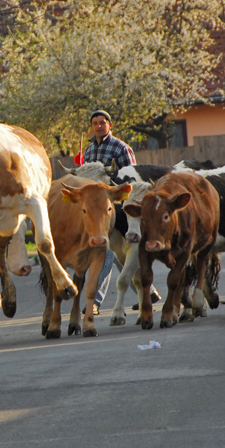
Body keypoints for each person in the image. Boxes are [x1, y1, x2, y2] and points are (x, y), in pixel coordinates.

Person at [81, 110, 135, 315]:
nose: (98, 126)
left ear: (110, 125)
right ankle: (146, 292)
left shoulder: (121, 148)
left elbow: (132, 178)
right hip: (95, 210)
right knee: (117, 251)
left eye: (102, 122)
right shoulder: (88, 151)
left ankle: (93, 301)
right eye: (95, 123)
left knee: (108, 252)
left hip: (116, 208)